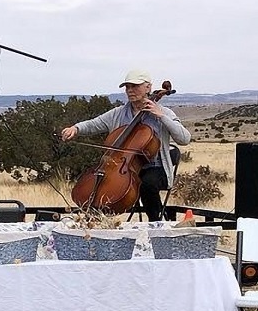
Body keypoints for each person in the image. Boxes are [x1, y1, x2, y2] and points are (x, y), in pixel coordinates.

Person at [60, 69, 191, 221]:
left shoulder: (164, 113)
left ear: (148, 87)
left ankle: (156, 223)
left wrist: (161, 116)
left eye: (134, 86)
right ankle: (95, 223)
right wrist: (76, 128)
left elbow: (184, 138)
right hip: (124, 168)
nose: (130, 90)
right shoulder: (118, 113)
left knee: (147, 184)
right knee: (100, 182)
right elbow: (95, 124)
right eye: (127, 87)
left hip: (156, 168)